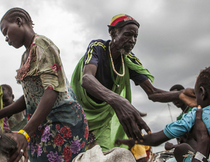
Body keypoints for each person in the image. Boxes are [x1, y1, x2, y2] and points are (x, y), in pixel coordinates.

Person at [0, 7, 88, 162]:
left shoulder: (42, 44)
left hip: (62, 121)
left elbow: (51, 90)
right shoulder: (25, 56)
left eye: (6, 31)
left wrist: (25, 132)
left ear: (19, 21)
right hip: (40, 124)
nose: (6, 38)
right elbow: (31, 96)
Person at [71, 14, 189, 152]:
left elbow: (153, 93)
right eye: (127, 34)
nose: (132, 40)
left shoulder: (129, 60)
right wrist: (119, 101)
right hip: (78, 112)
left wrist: (182, 95)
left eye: (135, 37)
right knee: (71, 152)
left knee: (100, 155)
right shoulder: (98, 47)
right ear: (113, 33)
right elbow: (86, 78)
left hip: (102, 120)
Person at [116, 66, 210, 162]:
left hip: (203, 155)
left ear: (202, 92)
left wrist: (131, 141)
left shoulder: (198, 113)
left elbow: (155, 139)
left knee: (182, 149)